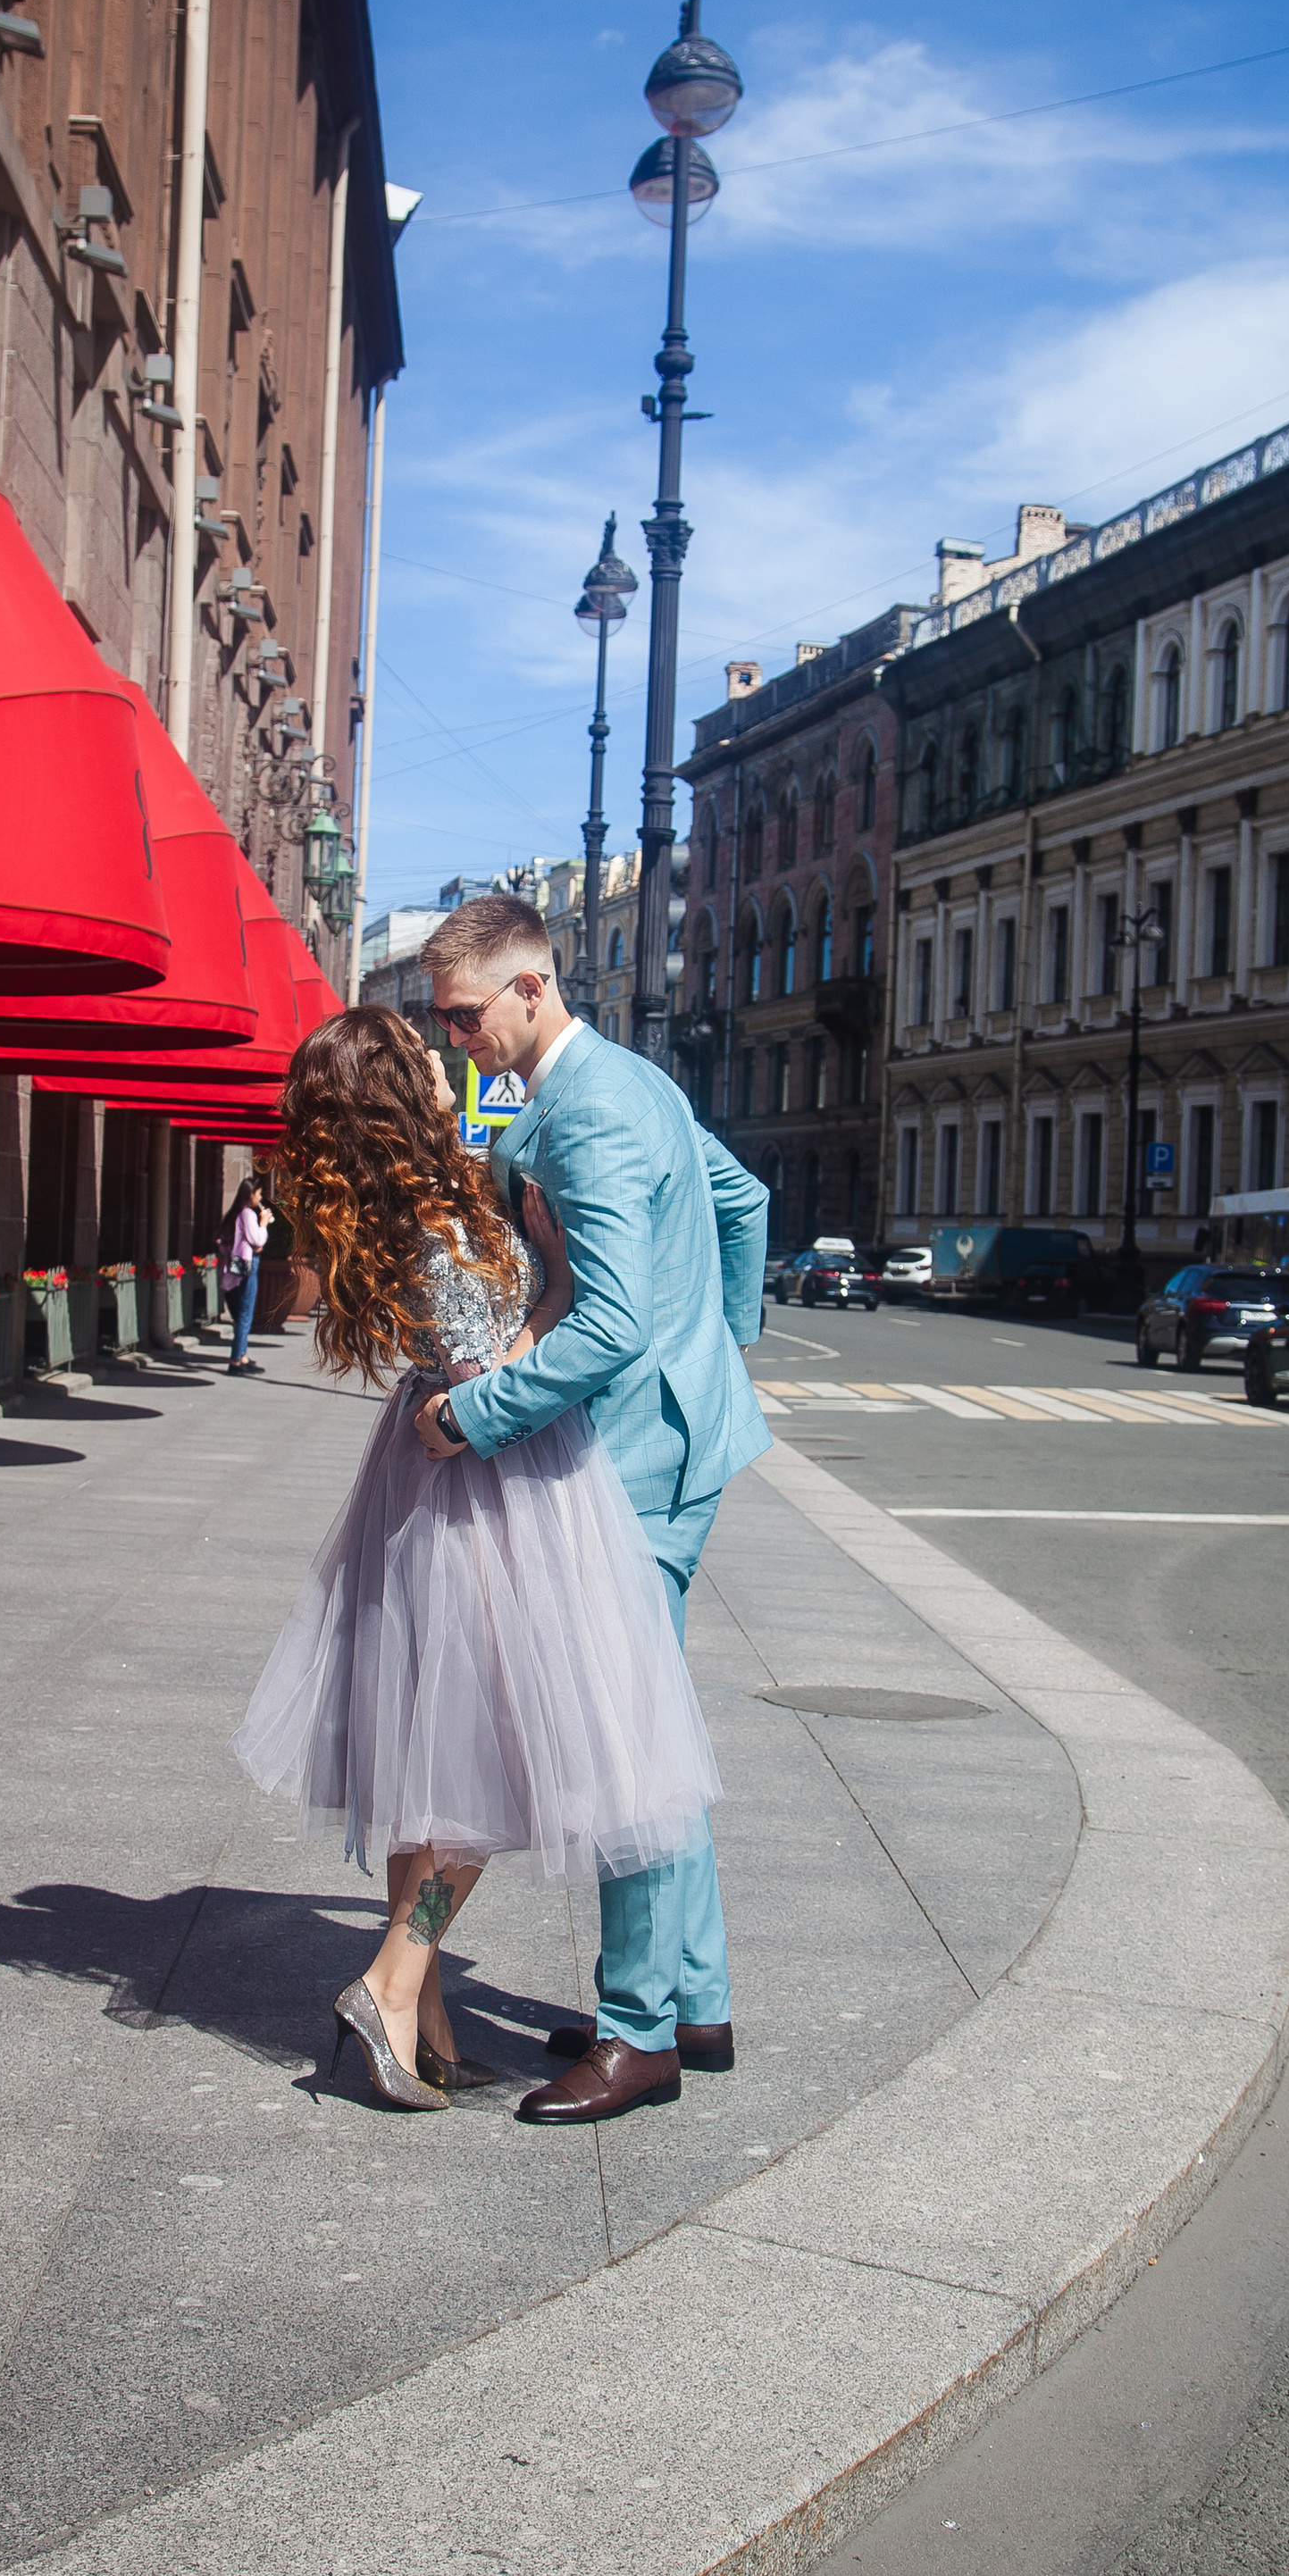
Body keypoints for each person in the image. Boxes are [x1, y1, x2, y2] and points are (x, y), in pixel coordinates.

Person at [230, 1005, 724, 2112]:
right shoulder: (438, 1215)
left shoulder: (394, 1202)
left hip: (425, 1486)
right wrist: (559, 1282)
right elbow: (489, 1364)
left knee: (433, 1754)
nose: (442, 1059)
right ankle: (392, 1981)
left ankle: (428, 2025)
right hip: (490, 1488)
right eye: (421, 1056)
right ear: (398, 1094)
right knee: (494, 1756)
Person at [412, 892, 770, 2125]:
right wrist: (715, 1345)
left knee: (626, 1742)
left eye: (467, 1017)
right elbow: (742, 1201)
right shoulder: (628, 1082)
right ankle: (694, 2004)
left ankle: (640, 2036)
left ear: (532, 985)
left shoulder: (592, 1109)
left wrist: (475, 1415)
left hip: (638, 1463)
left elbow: (612, 1322)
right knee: (651, 1720)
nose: (460, 1040)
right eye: (445, 1022)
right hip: (672, 1435)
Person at [218, 1175, 269, 1376]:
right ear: (251, 1194)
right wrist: (264, 1223)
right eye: (259, 1194)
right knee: (245, 1315)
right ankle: (236, 1360)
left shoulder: (235, 1214)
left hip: (235, 1268)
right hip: (248, 1267)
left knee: (242, 1313)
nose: (261, 1197)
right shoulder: (248, 1213)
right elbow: (257, 1239)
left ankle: (242, 1355)